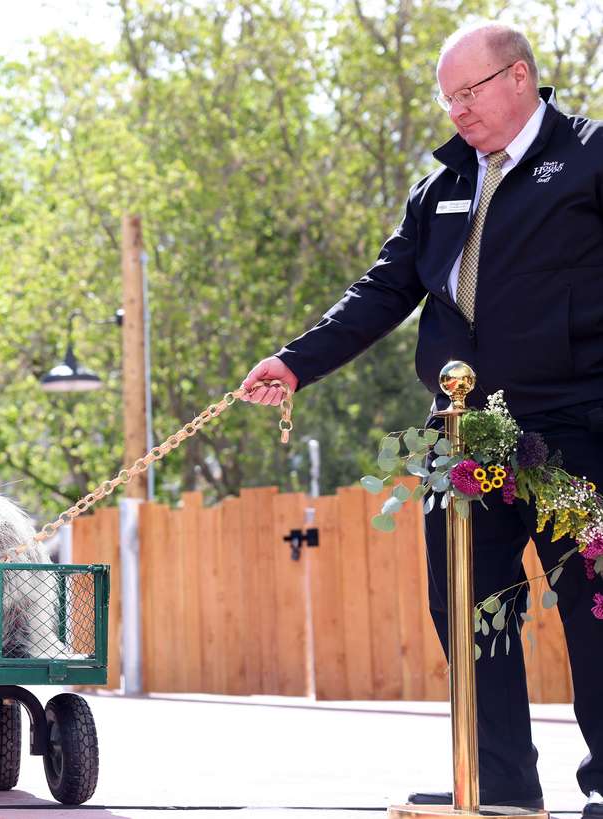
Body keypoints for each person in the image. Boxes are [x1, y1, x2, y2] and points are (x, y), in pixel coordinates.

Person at [243, 22, 603, 817]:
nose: (457, 111)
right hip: (464, 435)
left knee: (593, 598)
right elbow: (381, 291)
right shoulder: (441, 185)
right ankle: (499, 781)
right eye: (448, 98)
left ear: (518, 79)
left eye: (468, 92)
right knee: (469, 601)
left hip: (573, 424)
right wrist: (294, 362)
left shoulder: (589, 158)